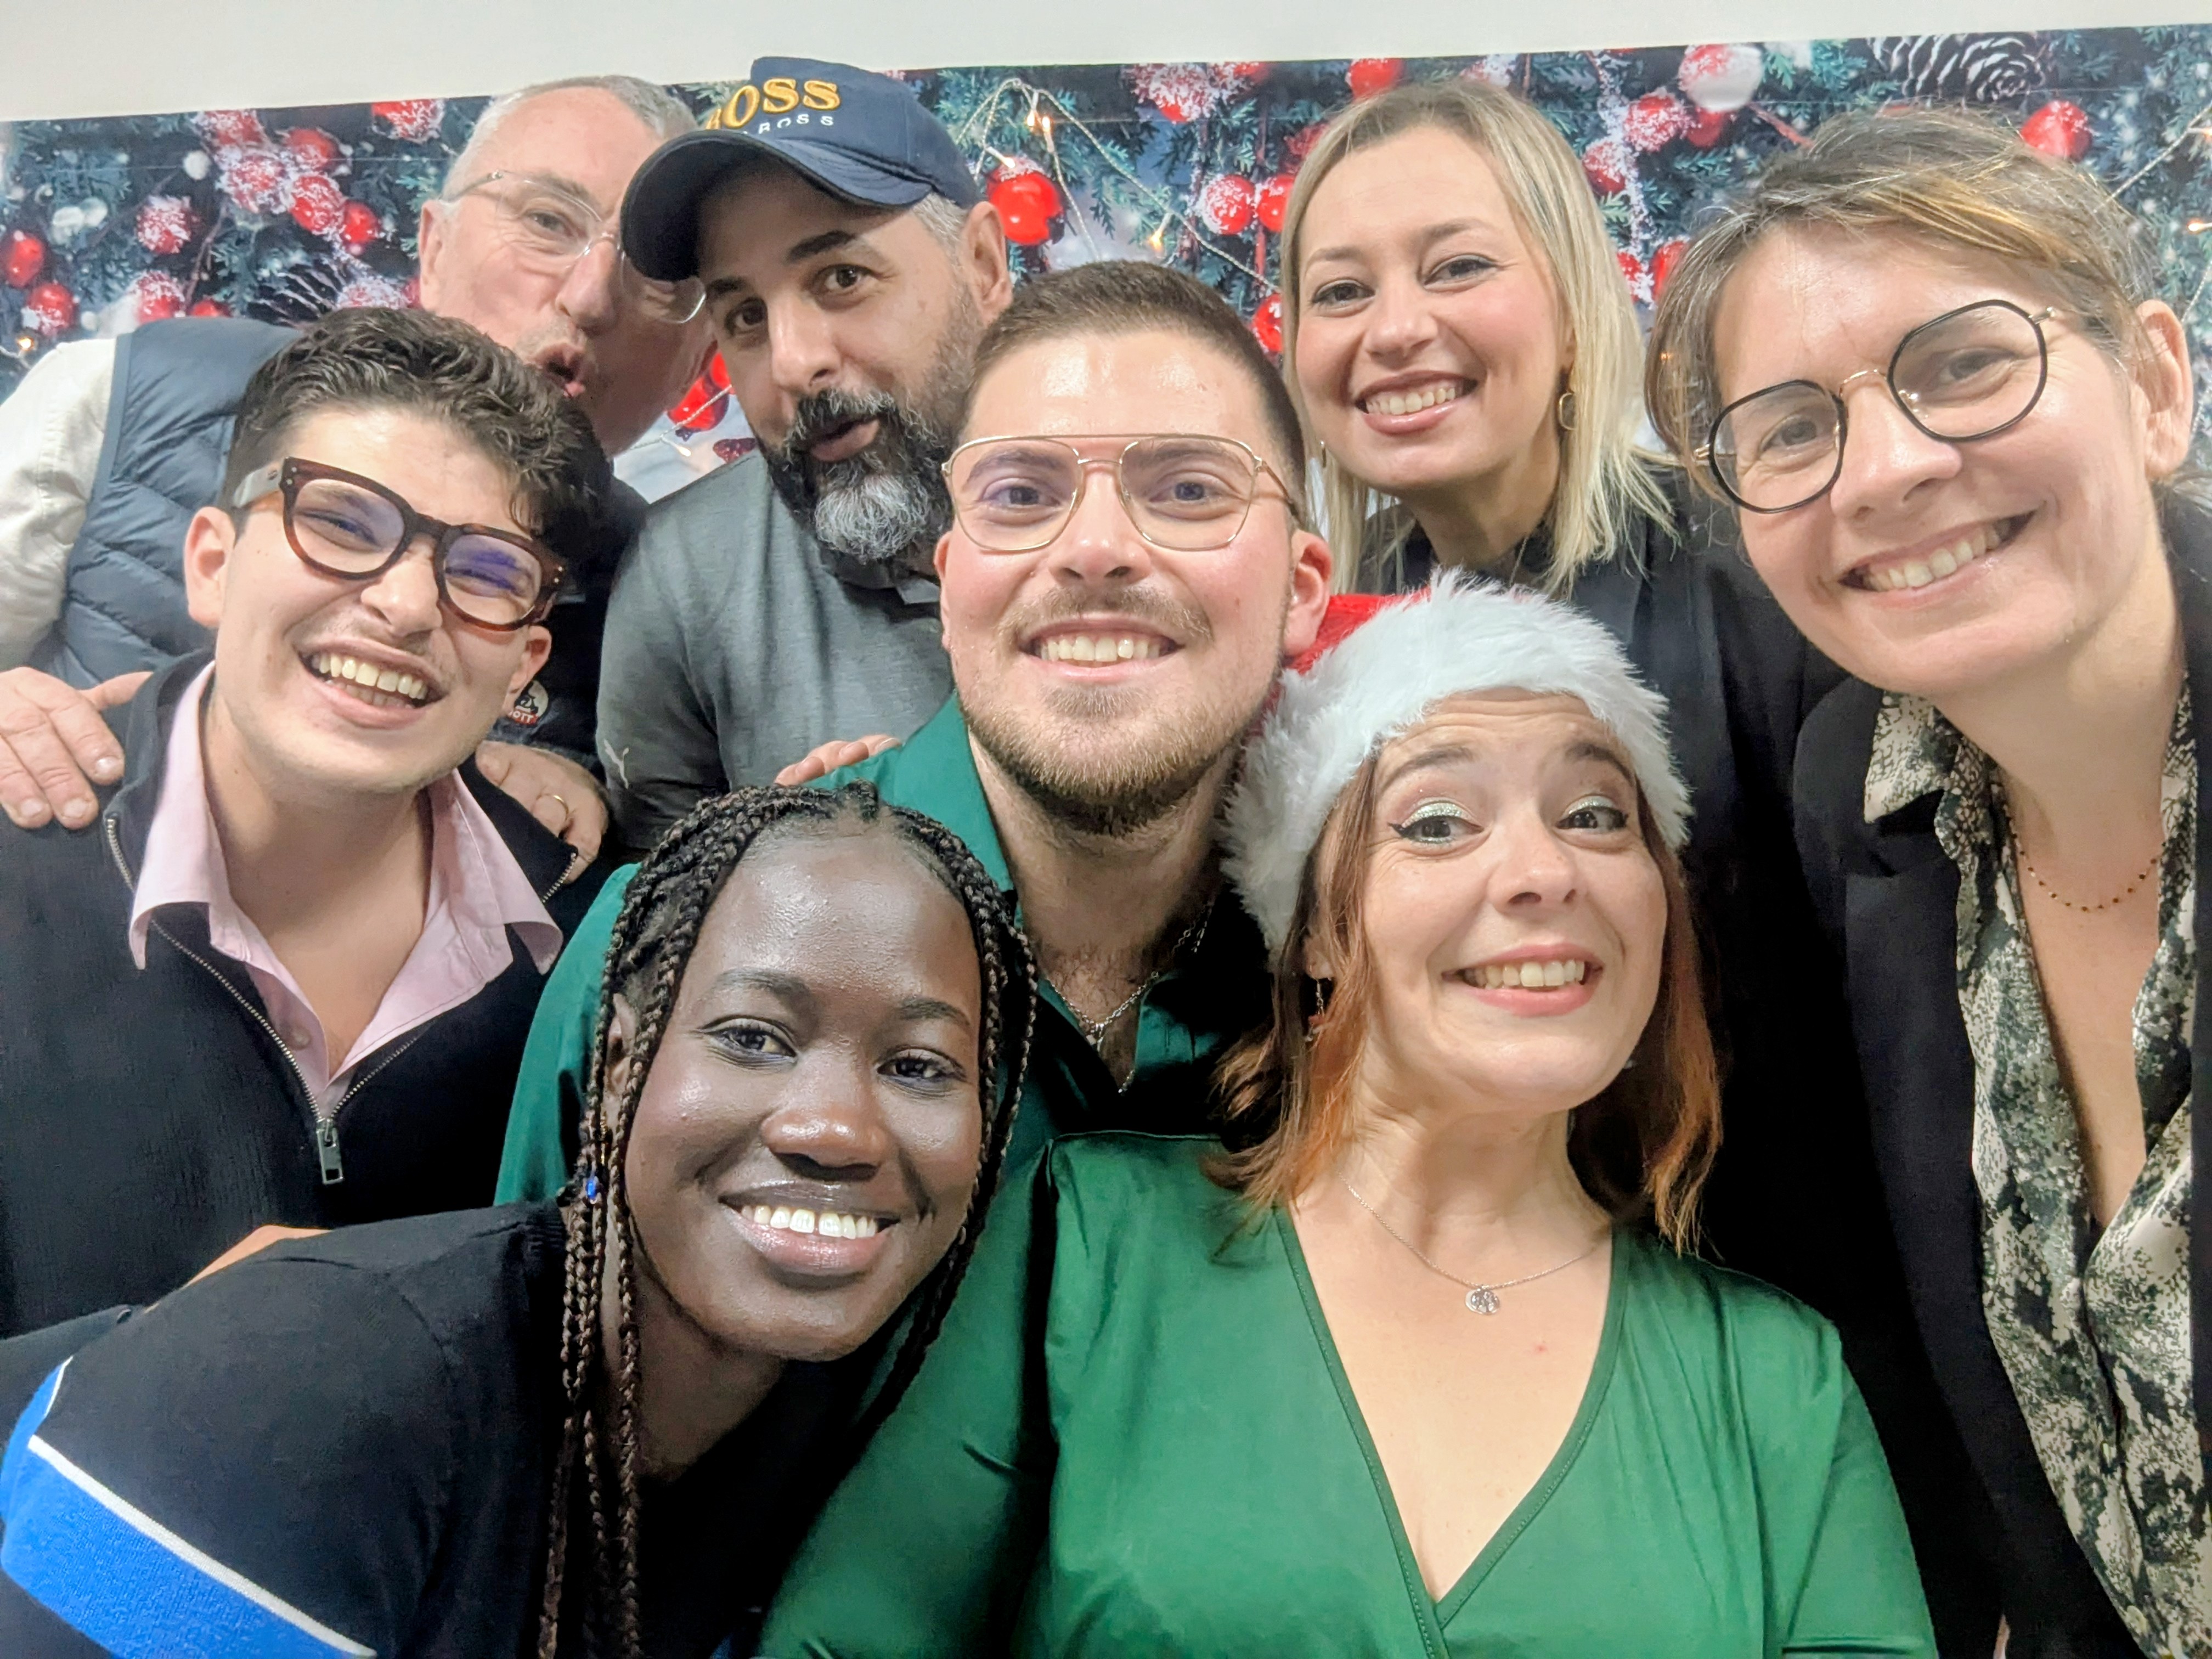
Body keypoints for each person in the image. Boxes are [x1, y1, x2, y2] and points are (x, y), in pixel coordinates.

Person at [760, 578, 1936, 1658]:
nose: (1545, 871)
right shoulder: (1083, 1249)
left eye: (1595, 814)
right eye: (1436, 822)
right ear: (1314, 927)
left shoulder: (1778, 1383)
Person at [1267, 77, 1976, 1630]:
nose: (1396, 329)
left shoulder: (1766, 586)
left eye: (1457, 265)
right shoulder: (1317, 645)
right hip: (1452, 1373)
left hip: (1803, 1382)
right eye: (1342, 290)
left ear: (1576, 298)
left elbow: (1926, 1064)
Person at [0, 783, 1037, 1659]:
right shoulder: (297, 1408)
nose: (837, 1129)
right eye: (754, 1037)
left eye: (919, 1066)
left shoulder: (853, 1447)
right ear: (620, 1065)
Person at [1646, 109, 2204, 1659]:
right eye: (1788, 431)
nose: (1886, 470)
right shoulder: (1864, 804)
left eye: (1964, 364)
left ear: (2156, 387)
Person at [498, 259, 1329, 1204]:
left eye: (1187, 491)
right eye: (1021, 495)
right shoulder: (673, 940)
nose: (1095, 549)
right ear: (951, 578)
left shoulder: (1373, 954)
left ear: (1302, 589)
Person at [0, 307, 615, 1336]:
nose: (407, 605)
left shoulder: (586, 952)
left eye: (486, 573)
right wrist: (128, 1378)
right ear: (212, 563)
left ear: (524, 666)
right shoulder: (21, 862)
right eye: (342, 524)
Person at [0, 73, 716, 855]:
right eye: (546, 220)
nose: (590, 297)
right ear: (433, 246)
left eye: (657, 275)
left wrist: (573, 787)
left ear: (699, 353)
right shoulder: (122, 396)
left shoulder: (674, 578)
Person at [590, 57, 1017, 853]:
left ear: (985, 267)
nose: (792, 363)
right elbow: (657, 898)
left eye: (842, 277)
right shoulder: (685, 577)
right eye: (746, 316)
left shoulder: (1144, 515)